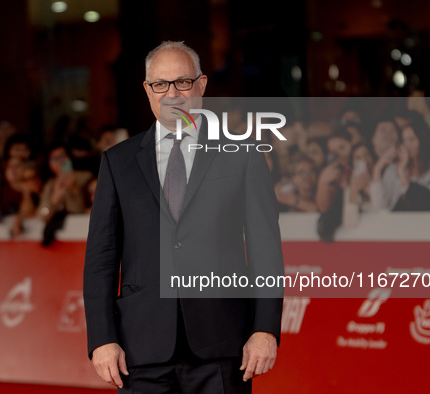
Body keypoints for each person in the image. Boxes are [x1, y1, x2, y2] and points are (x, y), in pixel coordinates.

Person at [83, 41, 283, 394]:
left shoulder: (242, 154)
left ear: (202, 85)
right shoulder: (118, 162)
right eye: (160, 84)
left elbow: (265, 248)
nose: (172, 93)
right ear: (147, 90)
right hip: (140, 348)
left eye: (183, 82)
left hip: (222, 343)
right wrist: (102, 339)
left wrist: (264, 329)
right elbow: (100, 259)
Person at [370, 116, 430, 211]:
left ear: (422, 141)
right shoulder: (392, 169)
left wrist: (402, 173)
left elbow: (424, 204)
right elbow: (380, 205)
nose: (407, 145)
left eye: (411, 139)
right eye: (404, 140)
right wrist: (377, 169)